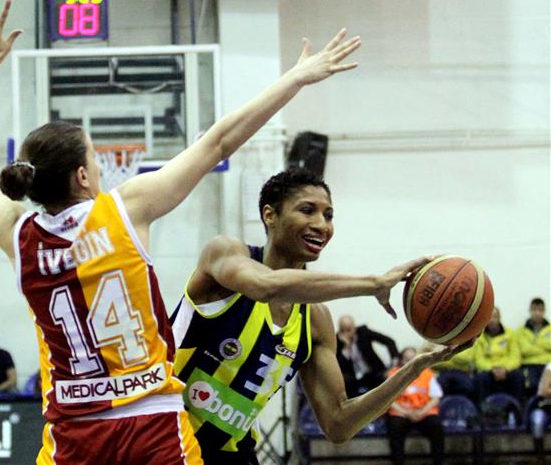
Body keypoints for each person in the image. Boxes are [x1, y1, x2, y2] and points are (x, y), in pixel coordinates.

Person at [0, 0, 363, 465]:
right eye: (94, 156)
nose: (100, 164)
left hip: (74, 432)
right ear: (83, 176)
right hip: (152, 425)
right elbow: (220, 140)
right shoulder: (123, 211)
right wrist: (296, 78)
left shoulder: (19, 234)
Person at [170, 168, 470, 464]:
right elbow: (266, 286)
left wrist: (415, 367)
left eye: (328, 215)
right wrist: (375, 283)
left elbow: (339, 424)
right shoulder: (225, 254)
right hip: (166, 436)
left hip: (232, 452)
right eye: (307, 210)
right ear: (269, 215)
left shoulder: (315, 321)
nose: (321, 225)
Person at [386, 347, 445, 465]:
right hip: (402, 414)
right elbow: (388, 400)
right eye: (407, 360)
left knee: (436, 425)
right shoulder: (393, 375)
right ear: (401, 361)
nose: (410, 363)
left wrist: (421, 412)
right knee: (395, 426)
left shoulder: (427, 374)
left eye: (413, 359)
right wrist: (406, 412)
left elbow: (436, 397)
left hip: (423, 413)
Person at [336, 315, 399, 397]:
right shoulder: (338, 342)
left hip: (374, 373)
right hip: (355, 379)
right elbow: (339, 366)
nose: (347, 333)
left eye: (349, 329)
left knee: (384, 385)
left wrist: (394, 363)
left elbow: (389, 341)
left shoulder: (363, 332)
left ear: (354, 326)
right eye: (344, 330)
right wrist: (346, 347)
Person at [473, 307, 525, 402]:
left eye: (495, 317)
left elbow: (515, 357)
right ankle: (483, 408)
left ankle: (516, 407)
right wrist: (492, 369)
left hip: (506, 369)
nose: (492, 320)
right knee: (481, 378)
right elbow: (478, 359)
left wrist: (505, 369)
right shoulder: (479, 336)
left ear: (500, 317)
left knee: (518, 376)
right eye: (489, 317)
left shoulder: (510, 334)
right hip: (489, 370)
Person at [517, 297, 550, 396]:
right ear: (530, 310)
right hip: (529, 365)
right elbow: (524, 350)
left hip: (548, 364)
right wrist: (544, 347)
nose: (537, 313)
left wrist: (534, 344)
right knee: (532, 385)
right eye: (534, 309)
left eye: (540, 310)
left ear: (544, 311)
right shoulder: (521, 331)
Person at [528, 362, 550, 459]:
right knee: (537, 421)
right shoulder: (550, 366)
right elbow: (543, 391)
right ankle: (540, 456)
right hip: (545, 404)